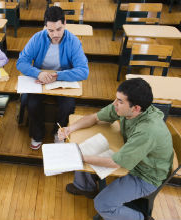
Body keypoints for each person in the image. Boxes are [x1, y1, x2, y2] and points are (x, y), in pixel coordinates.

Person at [58, 78, 173, 220]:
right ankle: (85, 187)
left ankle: (140, 218)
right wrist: (70, 129)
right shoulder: (128, 109)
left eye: (120, 101)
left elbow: (115, 163)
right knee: (84, 148)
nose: (114, 104)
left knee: (102, 204)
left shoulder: (148, 130)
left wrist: (79, 156)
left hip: (146, 176)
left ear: (136, 108)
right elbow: (95, 117)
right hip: (132, 156)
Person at [16, 6, 89, 150]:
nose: (55, 34)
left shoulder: (73, 41)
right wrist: (38, 73)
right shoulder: (37, 38)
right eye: (50, 30)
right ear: (45, 27)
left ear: (65, 23)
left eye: (59, 29)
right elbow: (21, 62)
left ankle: (58, 132)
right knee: (32, 104)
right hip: (40, 80)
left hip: (62, 80)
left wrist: (58, 76)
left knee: (68, 105)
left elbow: (83, 71)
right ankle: (37, 134)